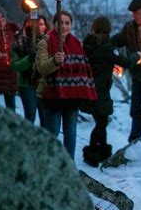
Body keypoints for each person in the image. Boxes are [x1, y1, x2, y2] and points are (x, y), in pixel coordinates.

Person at [82, 16, 141, 167]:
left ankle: (101, 151)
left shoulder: (89, 45)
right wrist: (138, 56)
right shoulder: (106, 47)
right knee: (101, 123)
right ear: (108, 30)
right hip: (101, 91)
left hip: (90, 88)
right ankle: (93, 153)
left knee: (100, 121)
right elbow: (126, 62)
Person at [36, 11, 97, 159]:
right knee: (53, 132)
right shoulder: (45, 42)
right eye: (60, 23)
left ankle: (69, 166)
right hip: (51, 94)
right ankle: (50, 164)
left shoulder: (76, 44)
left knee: (70, 132)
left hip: (72, 96)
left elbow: (84, 69)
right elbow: (41, 67)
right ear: (54, 24)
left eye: (67, 23)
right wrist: (54, 61)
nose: (64, 26)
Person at [111, 0, 141, 142]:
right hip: (137, 75)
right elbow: (115, 41)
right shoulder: (129, 28)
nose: (134, 15)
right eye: (133, 13)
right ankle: (135, 139)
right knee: (136, 109)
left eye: (137, 12)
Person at [11, 15, 49, 124]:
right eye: (41, 24)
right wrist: (29, 59)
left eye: (44, 24)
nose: (44, 27)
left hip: (44, 84)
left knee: (46, 119)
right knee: (30, 117)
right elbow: (15, 65)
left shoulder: (48, 41)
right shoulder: (19, 42)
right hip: (27, 85)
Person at [0, 2, 19, 111]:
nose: (1, 24)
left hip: (9, 75)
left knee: (11, 108)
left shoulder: (11, 30)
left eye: (3, 20)